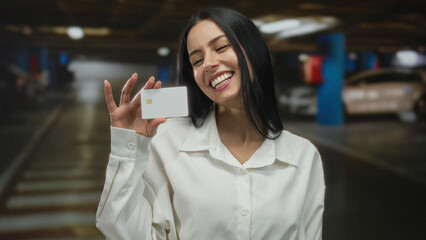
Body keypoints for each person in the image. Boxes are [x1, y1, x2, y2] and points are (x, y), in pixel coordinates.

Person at [96, 8, 325, 240]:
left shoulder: (303, 156)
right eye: (196, 59)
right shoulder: (167, 141)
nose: (208, 63)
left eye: (221, 47)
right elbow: (125, 232)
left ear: (253, 50)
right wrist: (127, 147)